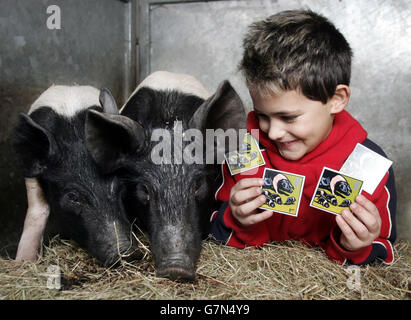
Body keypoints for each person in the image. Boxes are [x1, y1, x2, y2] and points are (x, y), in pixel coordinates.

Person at [208, 9, 396, 265]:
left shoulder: (368, 165)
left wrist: (357, 247)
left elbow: (383, 250)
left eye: (288, 117)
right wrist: (235, 218)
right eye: (262, 115)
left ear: (336, 100)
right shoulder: (242, 147)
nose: (272, 132)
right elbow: (210, 231)